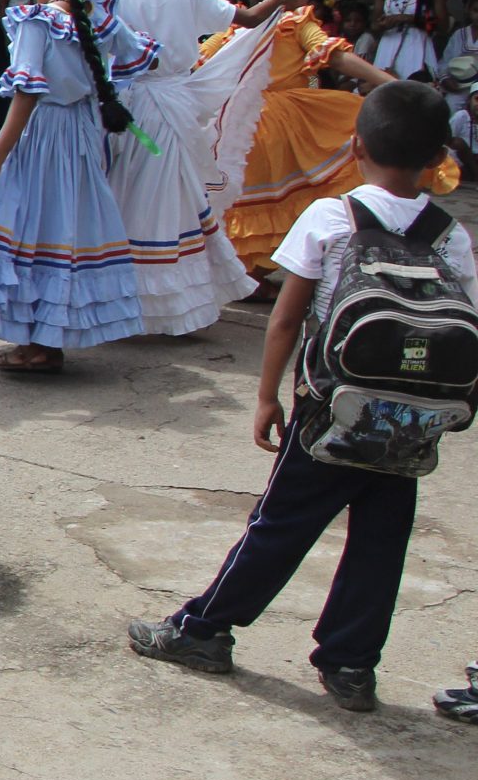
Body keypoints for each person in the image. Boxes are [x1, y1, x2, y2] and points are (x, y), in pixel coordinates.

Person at [128, 81, 467, 714]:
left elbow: (285, 319)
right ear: (436, 158)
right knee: (381, 540)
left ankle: (202, 630)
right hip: (409, 418)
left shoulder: (332, 217)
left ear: (355, 145)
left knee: (280, 524)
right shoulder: (451, 235)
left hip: (330, 407)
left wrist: (266, 397)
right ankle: (352, 664)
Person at [0, 0, 161, 373]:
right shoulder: (97, 17)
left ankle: (37, 344)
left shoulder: (40, 20)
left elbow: (27, 93)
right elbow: (146, 57)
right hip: (81, 135)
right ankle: (47, 340)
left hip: (43, 134)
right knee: (64, 229)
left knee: (27, 225)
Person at [106, 0, 276, 336]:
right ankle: (171, 302)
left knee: (125, 192)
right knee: (173, 197)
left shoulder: (112, 2)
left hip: (130, 110)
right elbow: (249, 18)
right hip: (175, 105)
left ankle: (121, 297)